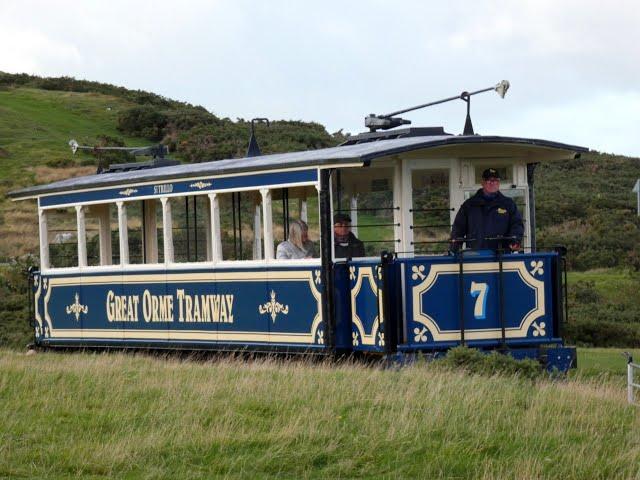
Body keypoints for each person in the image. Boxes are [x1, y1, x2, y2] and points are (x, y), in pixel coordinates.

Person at [450, 168, 524, 252]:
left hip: (502, 255)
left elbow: (517, 225)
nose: (492, 183)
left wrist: (515, 241)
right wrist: (454, 247)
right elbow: (458, 228)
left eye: (495, 180)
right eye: (489, 180)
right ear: (482, 183)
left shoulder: (508, 204)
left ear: (499, 183)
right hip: (475, 256)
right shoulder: (469, 205)